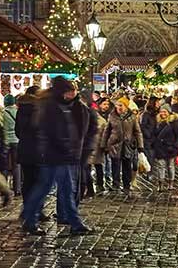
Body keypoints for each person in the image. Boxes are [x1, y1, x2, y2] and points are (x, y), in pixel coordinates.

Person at [20, 77, 96, 236]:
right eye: (69, 91)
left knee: (58, 189)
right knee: (48, 189)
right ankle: (30, 219)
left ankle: (72, 222)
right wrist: (66, 147)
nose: (71, 94)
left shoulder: (57, 104)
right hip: (55, 155)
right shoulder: (51, 106)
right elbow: (53, 132)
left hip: (59, 155)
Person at [101, 98, 143, 193]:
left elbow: (137, 132)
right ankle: (115, 184)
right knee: (115, 165)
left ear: (126, 106)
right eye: (117, 105)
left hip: (127, 145)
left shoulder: (132, 117)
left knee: (127, 165)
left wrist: (140, 146)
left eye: (121, 105)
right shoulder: (112, 116)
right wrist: (103, 144)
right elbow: (107, 131)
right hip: (114, 145)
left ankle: (126, 185)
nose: (118, 107)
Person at [15, 85, 43, 205]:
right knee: (38, 180)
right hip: (38, 149)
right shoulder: (38, 109)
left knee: (27, 180)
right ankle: (36, 208)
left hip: (24, 148)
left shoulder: (20, 109)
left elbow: (17, 131)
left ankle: (27, 206)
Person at [152, 108, 178, 190]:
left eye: (164, 111)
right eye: (161, 111)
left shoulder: (173, 123)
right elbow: (154, 133)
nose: (162, 113)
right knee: (161, 166)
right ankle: (160, 183)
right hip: (160, 147)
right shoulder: (157, 122)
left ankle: (170, 183)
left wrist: (175, 145)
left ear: (168, 112)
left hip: (170, 147)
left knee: (170, 166)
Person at [85, 97, 108, 196]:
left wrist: (104, 146)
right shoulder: (86, 119)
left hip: (96, 147)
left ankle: (97, 185)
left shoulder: (101, 121)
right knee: (90, 167)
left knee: (95, 167)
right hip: (91, 147)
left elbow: (105, 135)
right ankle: (93, 187)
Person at [139, 97, 160, 181]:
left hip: (155, 138)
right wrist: (149, 135)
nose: (159, 104)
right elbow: (143, 126)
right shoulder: (146, 114)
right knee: (149, 156)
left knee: (152, 156)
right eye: (157, 102)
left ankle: (149, 172)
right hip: (148, 139)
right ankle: (148, 173)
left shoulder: (156, 113)